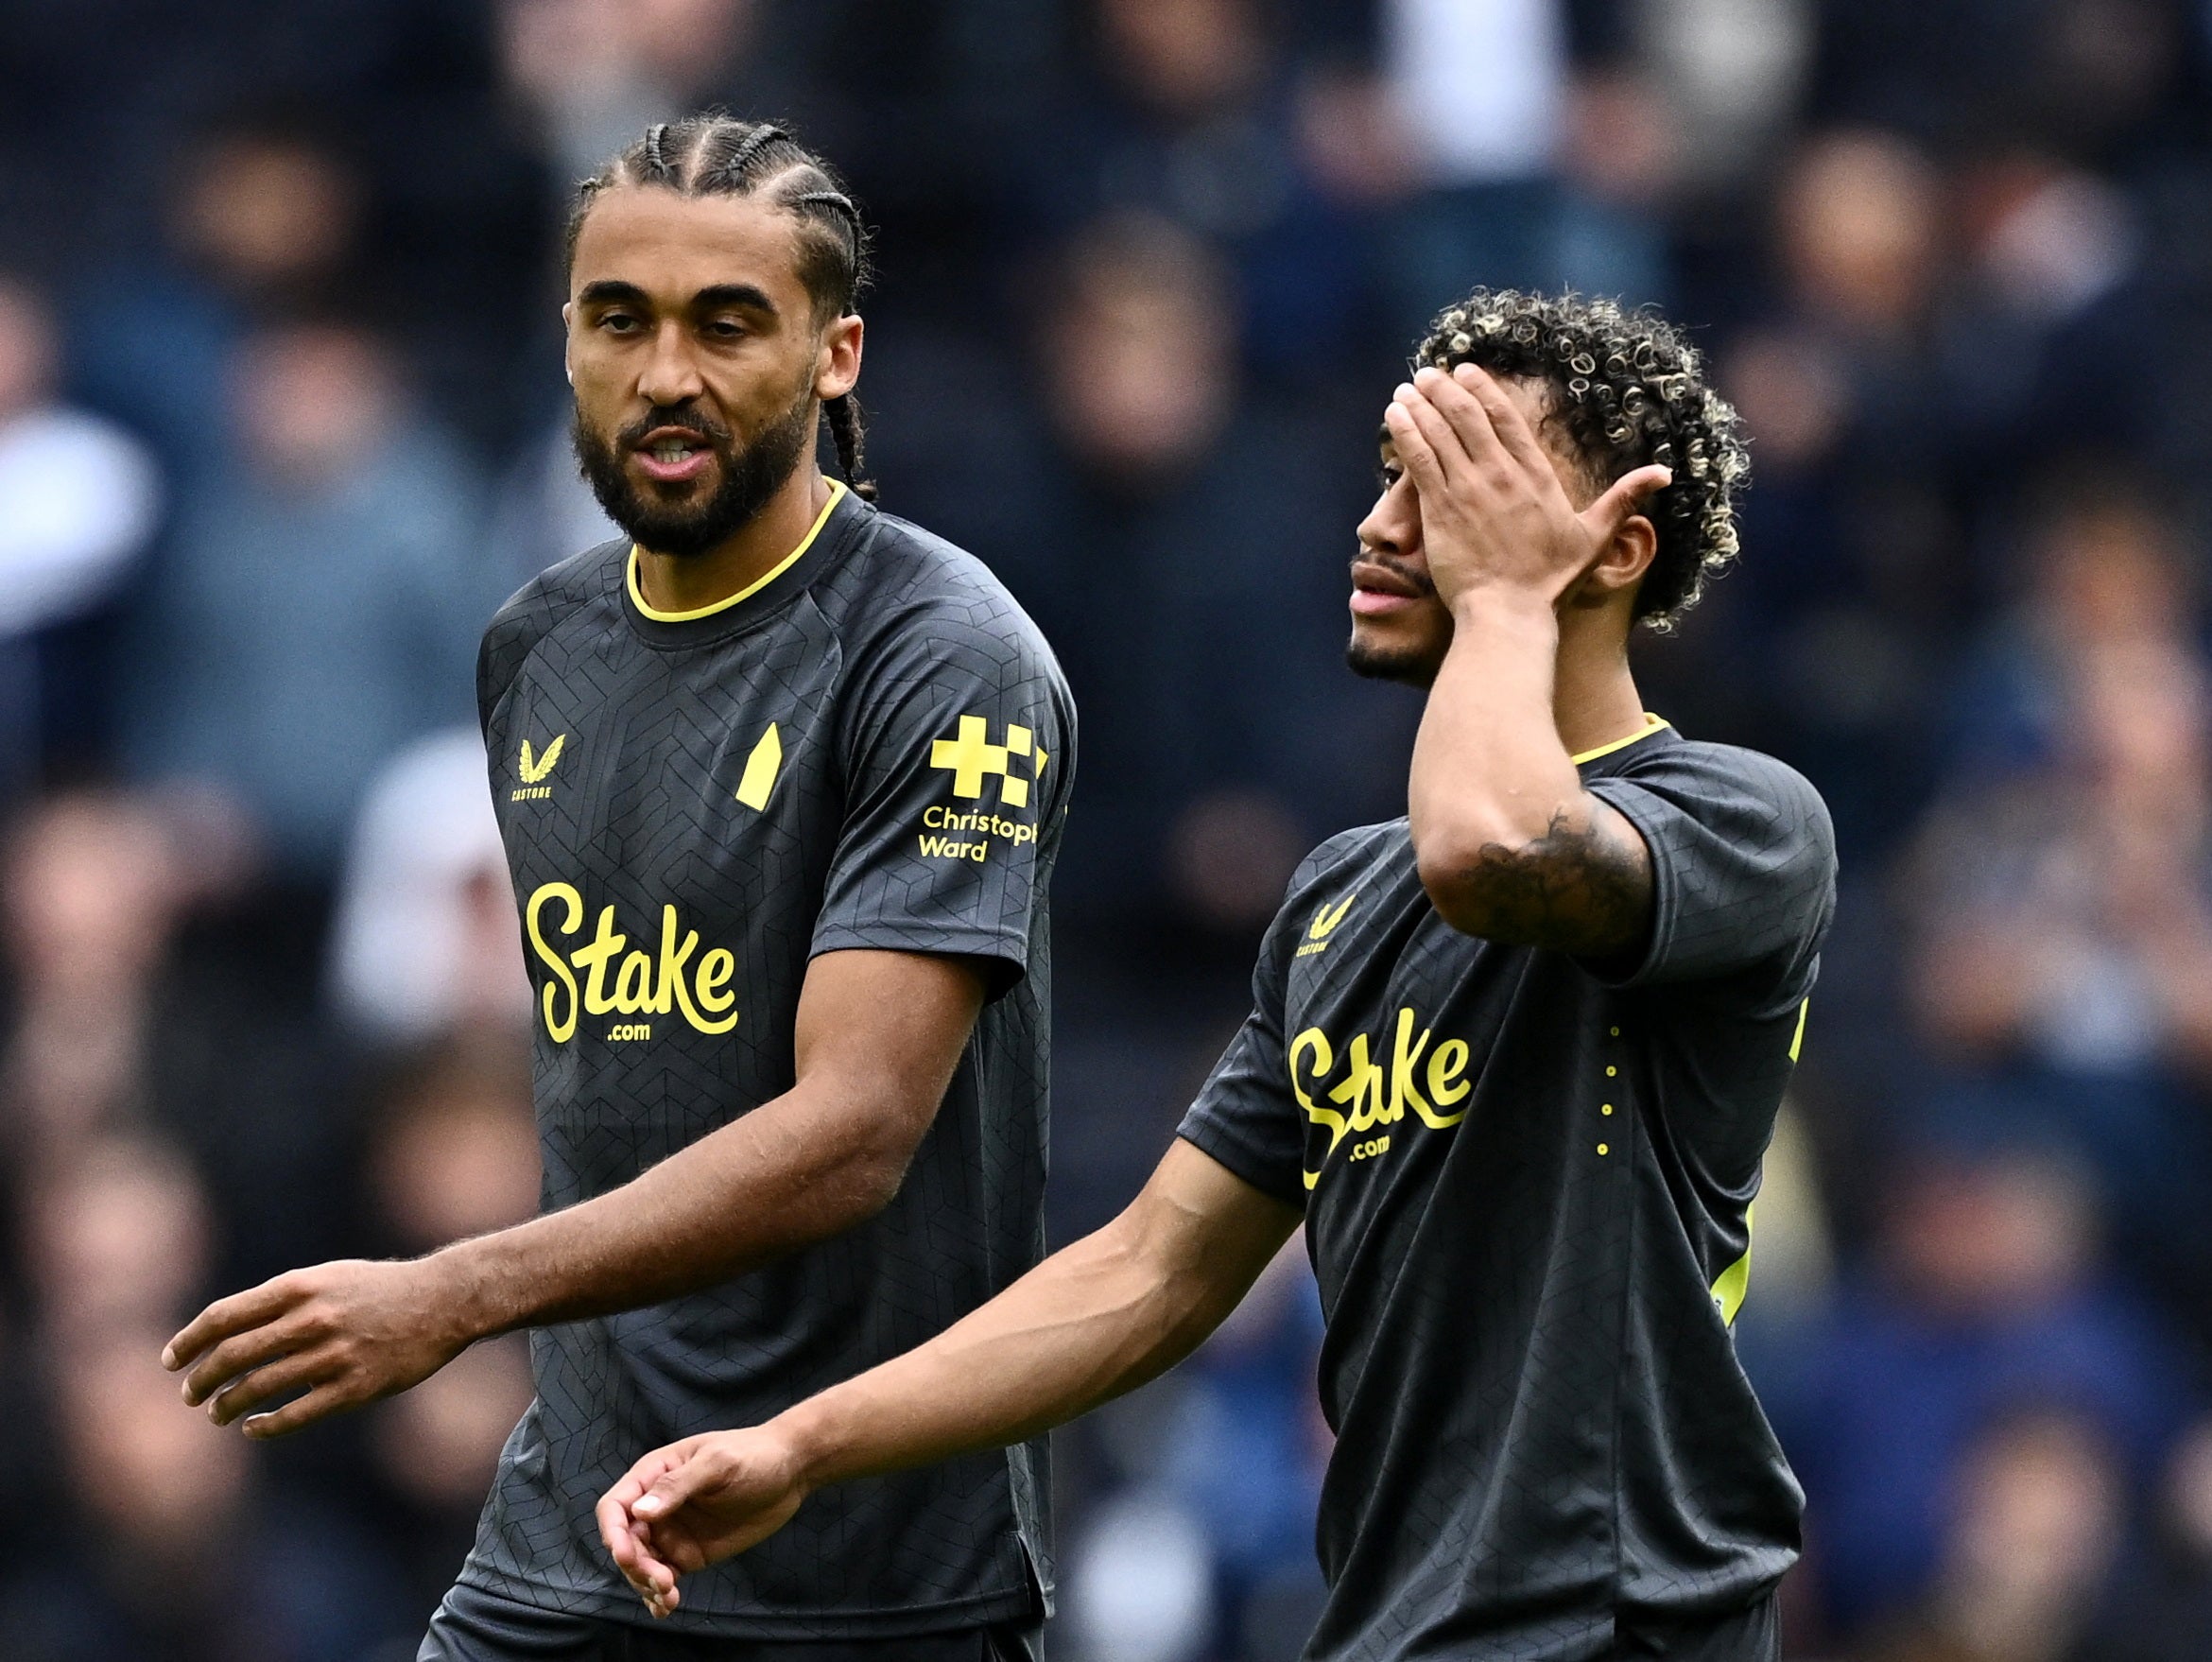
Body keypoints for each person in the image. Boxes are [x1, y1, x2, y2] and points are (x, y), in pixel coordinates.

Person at [596, 290, 1838, 1661]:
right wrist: (802, 1442)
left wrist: (1499, 601)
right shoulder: (1339, 903)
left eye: (1455, 490)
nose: (1380, 526)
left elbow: (1491, 847)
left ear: (1615, 545)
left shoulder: (1739, 820)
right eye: (1389, 479)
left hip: (1626, 1630)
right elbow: (1151, 1269)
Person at [160, 115, 1075, 1661]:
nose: (665, 375)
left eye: (728, 325)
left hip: (864, 1578)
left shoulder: (946, 656)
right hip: (563, 1543)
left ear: (837, 355)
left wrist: (452, 1293)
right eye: (619, 319)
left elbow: (853, 1132)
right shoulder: (534, 647)